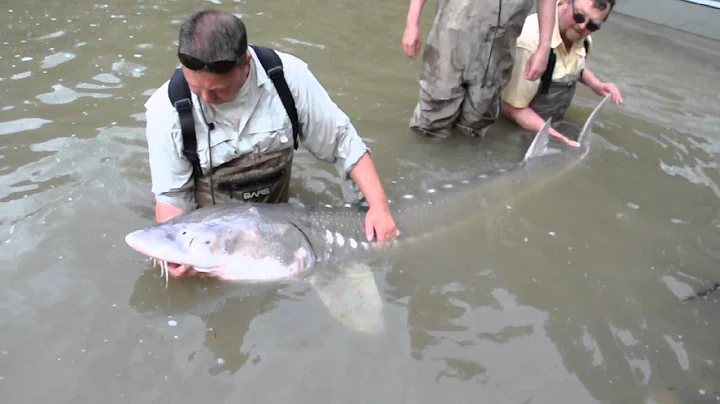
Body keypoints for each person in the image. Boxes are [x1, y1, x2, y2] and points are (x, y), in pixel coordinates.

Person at [143, 9, 398, 277]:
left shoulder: (287, 77)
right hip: (217, 230)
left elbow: (342, 142)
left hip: (279, 218)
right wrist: (174, 256)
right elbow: (173, 196)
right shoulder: (166, 109)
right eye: (196, 88)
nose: (205, 99)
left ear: (246, 65)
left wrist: (379, 207)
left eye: (218, 90)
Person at [401, 0, 559, 139]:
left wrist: (544, 48)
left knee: (478, 120)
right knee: (434, 116)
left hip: (499, 49)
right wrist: (412, 24)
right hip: (450, 40)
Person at [501, 0, 623, 146]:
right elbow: (511, 108)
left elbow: (572, 64)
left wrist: (596, 84)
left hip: (550, 126)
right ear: (564, 2)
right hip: (515, 131)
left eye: (592, 25)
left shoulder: (582, 37)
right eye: (579, 16)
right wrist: (556, 138)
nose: (582, 26)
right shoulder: (530, 43)